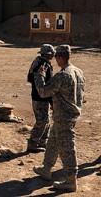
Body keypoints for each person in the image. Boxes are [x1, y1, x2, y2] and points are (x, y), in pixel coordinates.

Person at [33, 45, 86, 192]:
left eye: (56, 57)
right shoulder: (79, 72)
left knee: (66, 147)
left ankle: (70, 180)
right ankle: (46, 169)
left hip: (64, 117)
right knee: (53, 141)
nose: (55, 59)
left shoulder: (62, 75)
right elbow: (82, 96)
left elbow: (43, 92)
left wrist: (40, 75)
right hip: (69, 115)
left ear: (60, 57)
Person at [26, 44, 55, 153]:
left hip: (38, 97)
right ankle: (33, 143)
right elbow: (44, 86)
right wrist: (51, 100)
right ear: (48, 54)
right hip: (41, 98)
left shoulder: (37, 62)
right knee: (42, 121)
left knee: (46, 121)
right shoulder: (43, 65)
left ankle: (42, 142)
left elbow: (29, 78)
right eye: (52, 54)